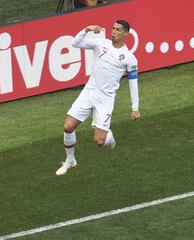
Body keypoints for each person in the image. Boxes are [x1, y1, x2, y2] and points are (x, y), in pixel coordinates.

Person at [56, 20, 141, 176]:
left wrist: (135, 108)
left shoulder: (129, 58)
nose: (114, 31)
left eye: (118, 30)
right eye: (113, 28)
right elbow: (75, 43)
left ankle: (109, 136)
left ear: (126, 34)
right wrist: (86, 29)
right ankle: (70, 161)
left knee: (99, 141)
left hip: (105, 99)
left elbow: (133, 82)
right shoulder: (101, 43)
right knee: (68, 127)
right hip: (89, 92)